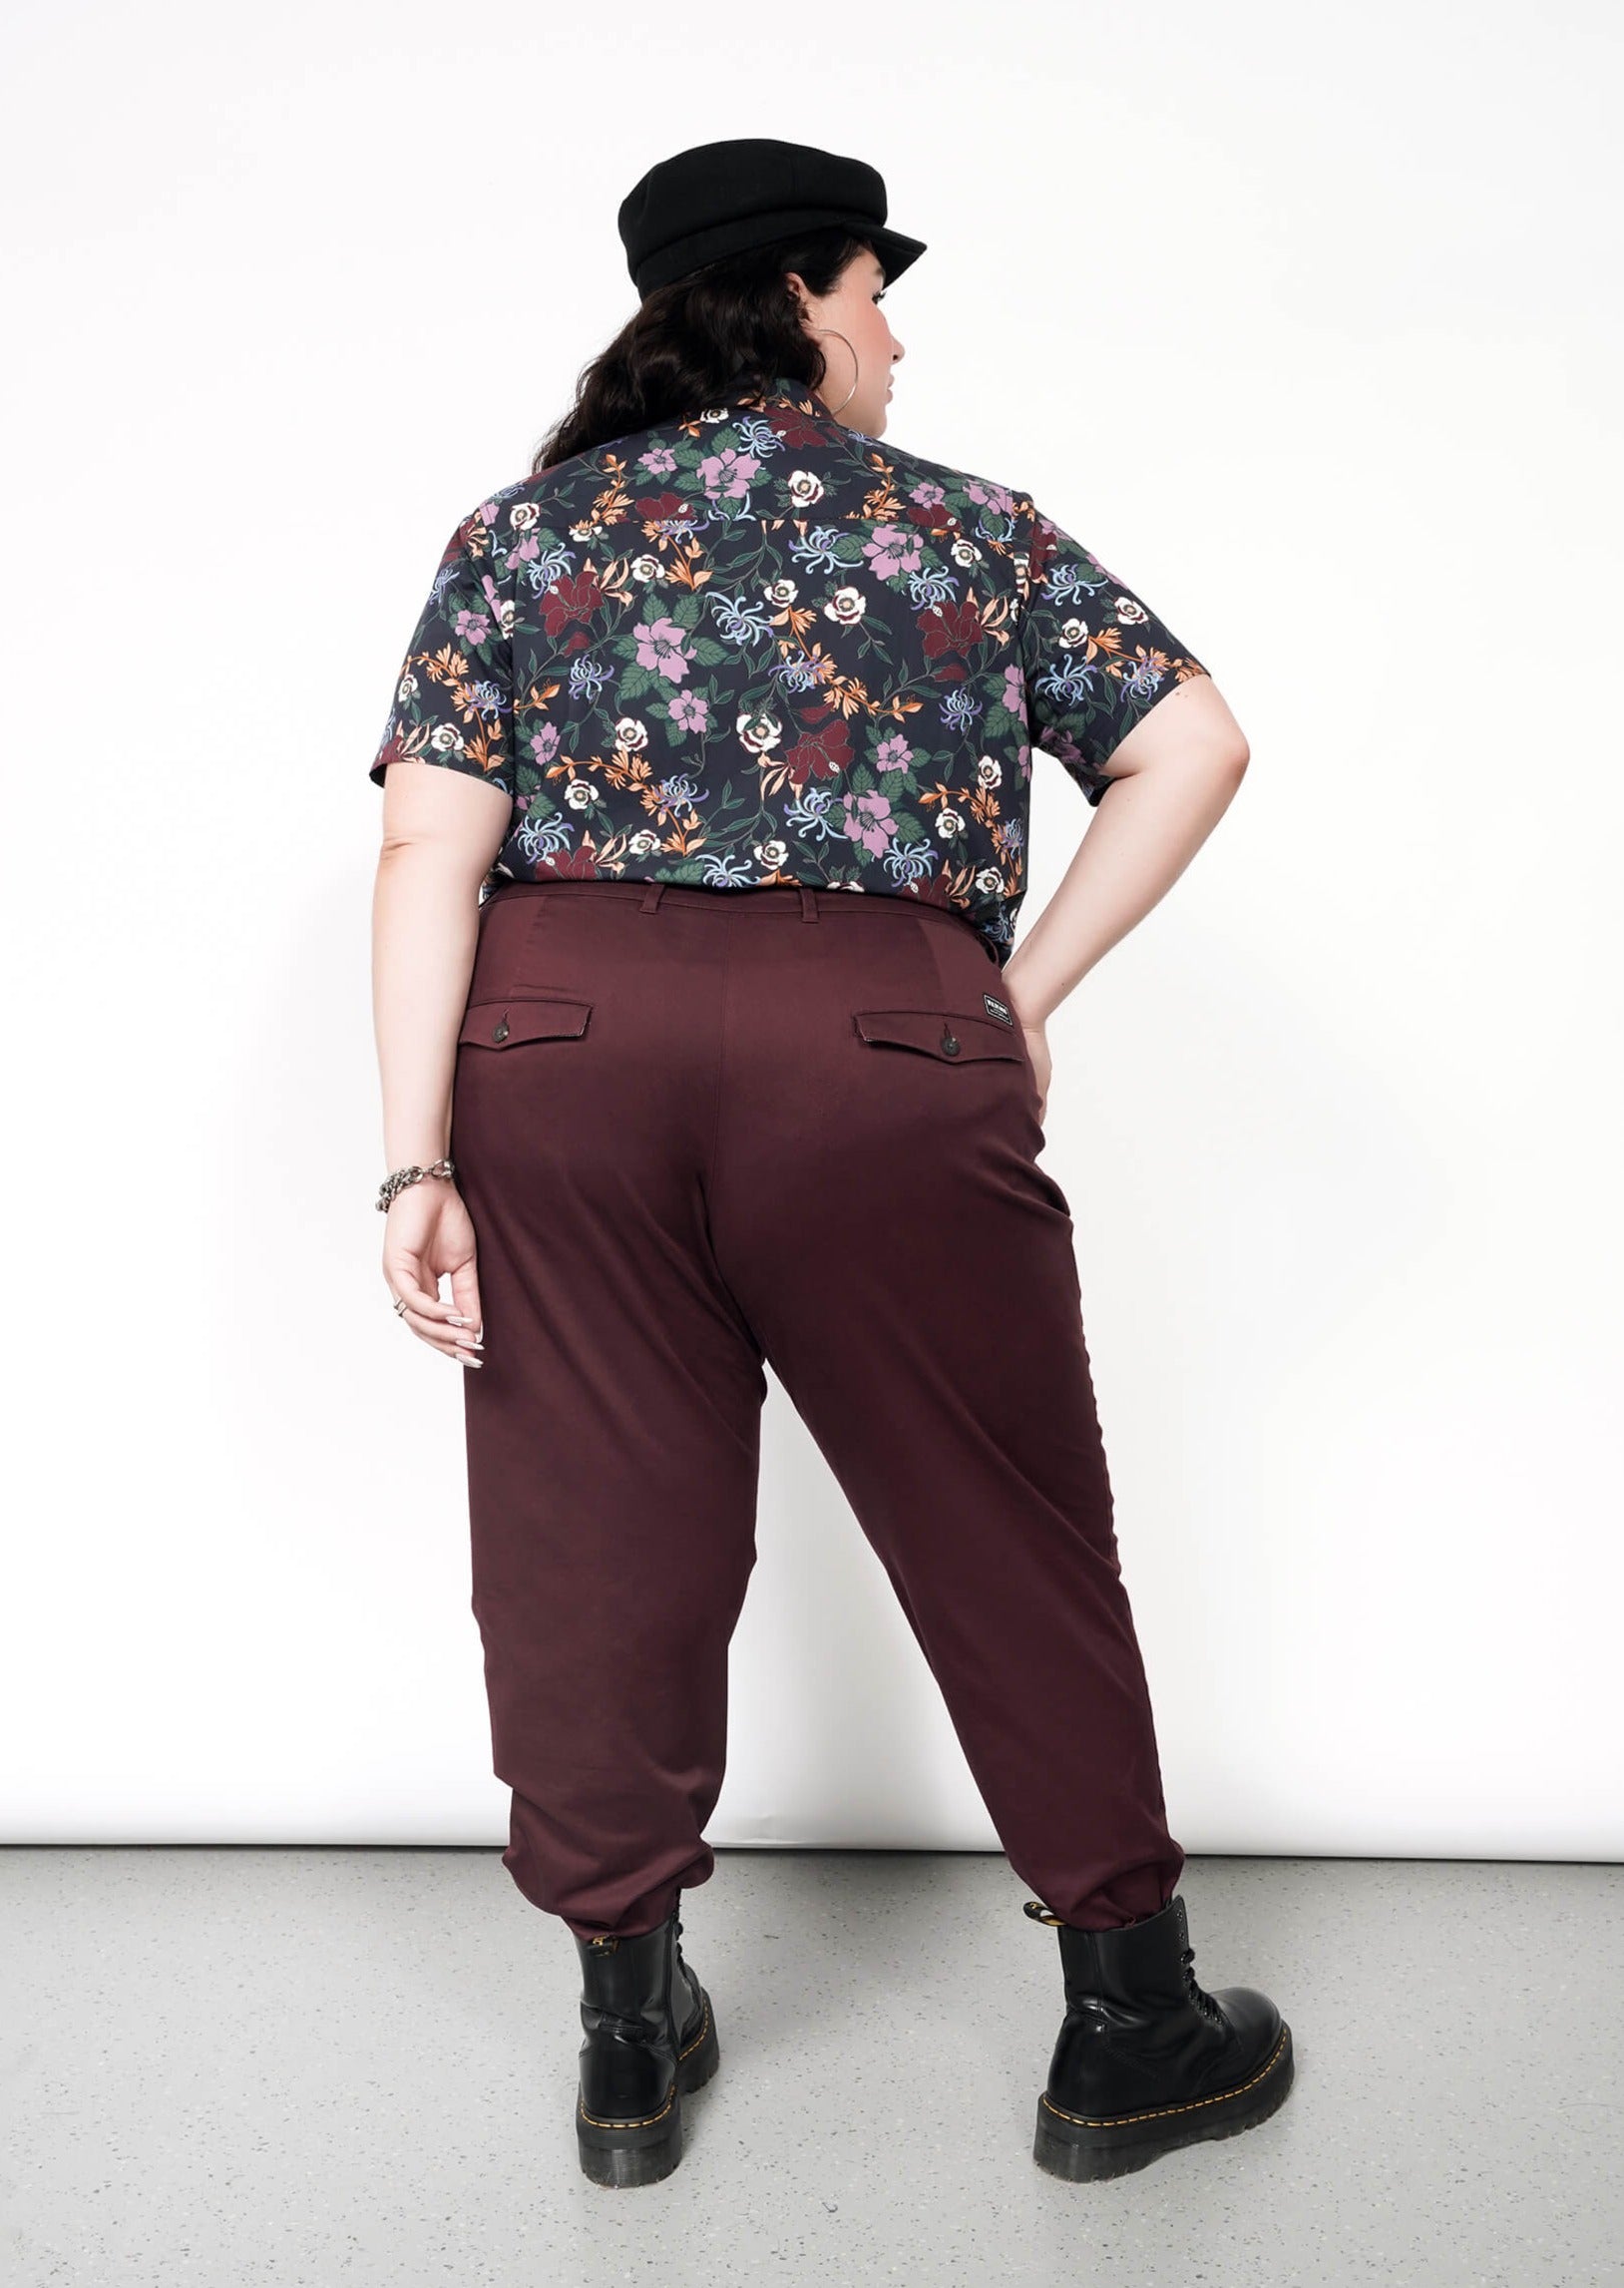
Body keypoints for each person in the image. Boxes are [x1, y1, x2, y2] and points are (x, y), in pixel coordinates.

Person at [367, 136, 1293, 2188]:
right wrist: (1021, 988)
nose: (894, 330)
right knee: (1003, 1512)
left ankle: (624, 2032)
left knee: (590, 1531)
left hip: (559, 1047)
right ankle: (1133, 2024)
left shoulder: (523, 537)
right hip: (882, 1039)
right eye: (876, 287)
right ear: (793, 294)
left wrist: (413, 1157)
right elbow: (1194, 738)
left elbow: (430, 840)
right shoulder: (964, 532)